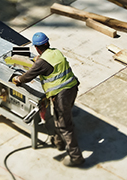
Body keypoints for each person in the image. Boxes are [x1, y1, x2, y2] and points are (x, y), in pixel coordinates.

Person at [12, 32, 85, 167]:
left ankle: (76, 157)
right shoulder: (55, 52)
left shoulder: (41, 63)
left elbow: (27, 77)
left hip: (61, 95)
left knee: (65, 125)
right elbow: (48, 62)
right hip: (72, 88)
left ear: (36, 47)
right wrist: (39, 60)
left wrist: (17, 79)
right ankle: (59, 142)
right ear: (47, 43)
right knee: (60, 117)